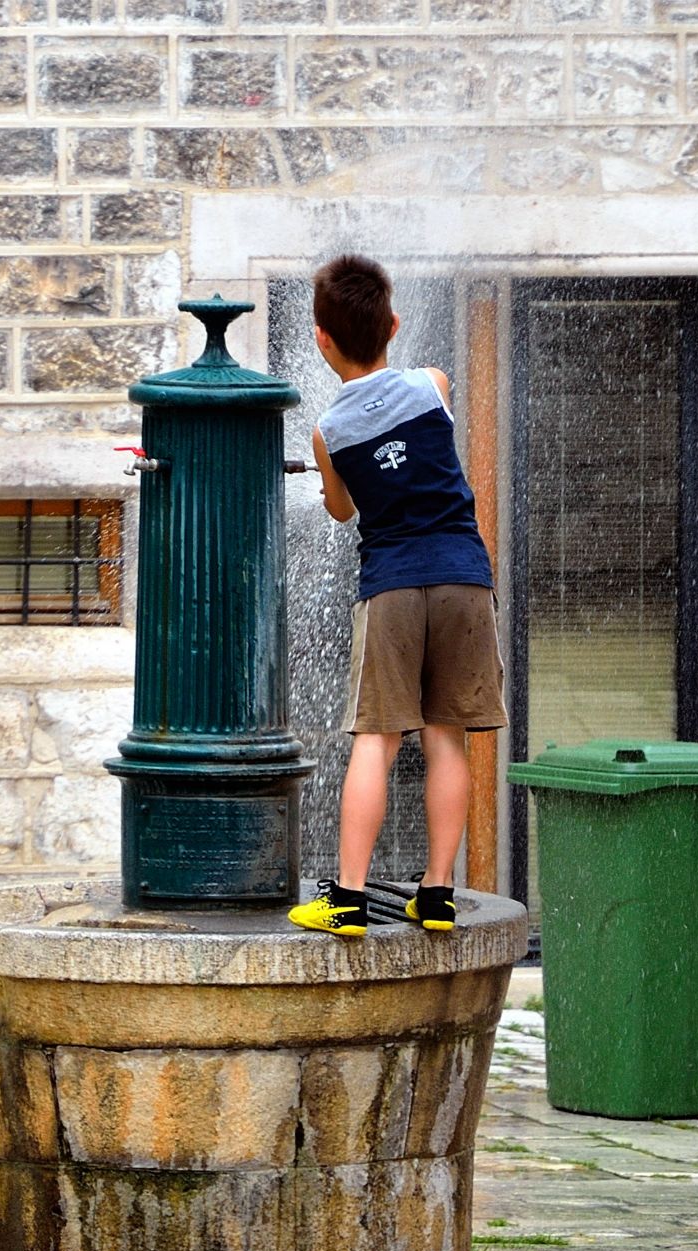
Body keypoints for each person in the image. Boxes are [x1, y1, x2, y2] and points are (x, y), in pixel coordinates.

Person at [288, 255, 505, 937]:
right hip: (464, 578)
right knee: (446, 737)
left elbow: (341, 511)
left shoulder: (328, 433)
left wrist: (340, 474)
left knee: (376, 742)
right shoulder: (433, 383)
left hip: (391, 589)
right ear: (394, 324)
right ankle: (436, 893)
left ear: (322, 340)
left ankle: (347, 899)